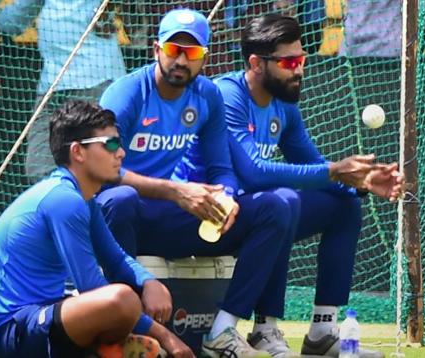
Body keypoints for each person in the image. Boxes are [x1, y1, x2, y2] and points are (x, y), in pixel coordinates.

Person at [174, 14, 404, 357]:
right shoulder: (226, 94)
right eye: (289, 62)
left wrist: (360, 183)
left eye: (302, 60)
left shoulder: (285, 106)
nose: (298, 69)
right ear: (256, 63)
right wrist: (335, 171)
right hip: (202, 215)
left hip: (252, 213)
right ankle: (244, 331)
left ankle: (322, 334)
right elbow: (253, 172)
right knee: (280, 202)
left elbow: (312, 166)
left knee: (343, 207)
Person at [96, 8, 294, 358]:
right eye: (174, 50)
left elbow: (221, 168)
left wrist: (226, 198)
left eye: (192, 53)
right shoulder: (125, 94)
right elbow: (103, 173)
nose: (181, 61)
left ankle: (223, 330)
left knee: (274, 206)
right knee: (120, 198)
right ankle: (125, 329)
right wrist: (175, 191)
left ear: (205, 57)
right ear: (156, 49)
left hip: (174, 217)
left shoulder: (207, 96)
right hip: (127, 219)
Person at [0, 100, 193, 357]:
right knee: (122, 299)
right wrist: (165, 336)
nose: (120, 153)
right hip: (12, 329)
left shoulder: (83, 199)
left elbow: (115, 257)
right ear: (78, 152)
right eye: (110, 144)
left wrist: (148, 282)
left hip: (40, 318)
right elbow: (91, 285)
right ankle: (107, 349)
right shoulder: (64, 199)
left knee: (125, 302)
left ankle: (108, 349)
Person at [0, 0, 127, 183]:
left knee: (97, 166)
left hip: (96, 81)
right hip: (52, 85)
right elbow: (10, 22)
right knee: (39, 169)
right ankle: (63, 208)